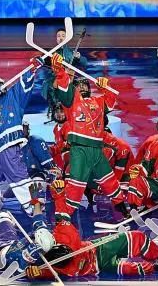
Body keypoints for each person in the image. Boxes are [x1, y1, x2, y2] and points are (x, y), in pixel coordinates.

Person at [51, 66, 124, 220]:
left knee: (108, 179)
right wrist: (60, 72)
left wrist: (105, 86)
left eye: (85, 84)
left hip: (97, 149)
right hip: (80, 150)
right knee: (76, 185)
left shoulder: (97, 101)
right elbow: (64, 88)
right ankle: (64, 215)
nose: (83, 87)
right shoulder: (71, 101)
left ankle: (121, 205)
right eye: (78, 85)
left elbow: (111, 101)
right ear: (74, 89)